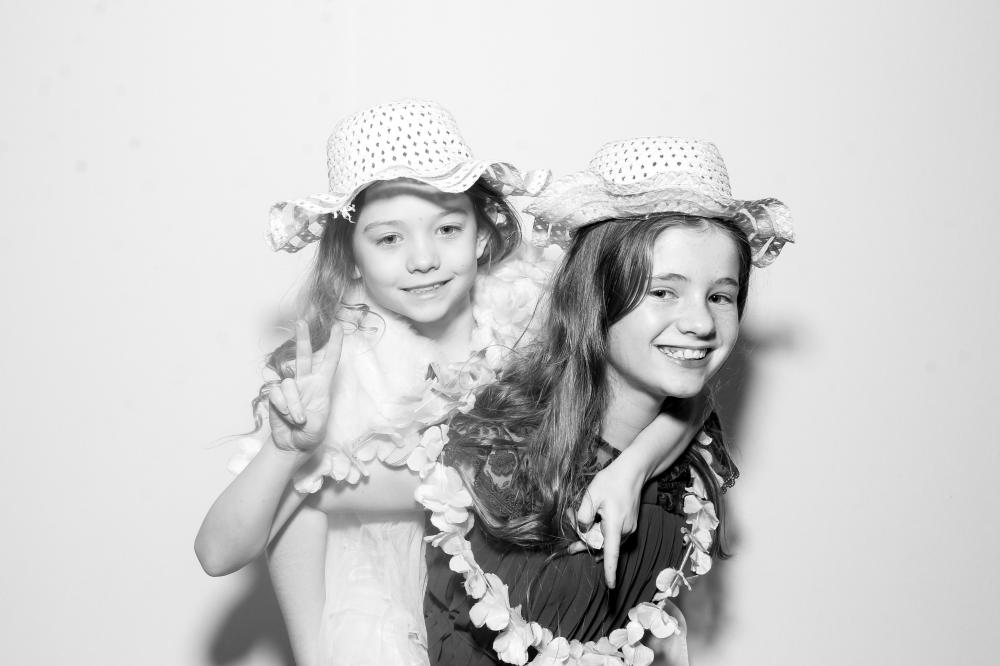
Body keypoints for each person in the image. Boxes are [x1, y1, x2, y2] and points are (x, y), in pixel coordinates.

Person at [194, 105, 701, 666]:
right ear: (350, 257)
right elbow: (219, 553)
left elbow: (682, 388)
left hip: (545, 605)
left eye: (447, 229)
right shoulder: (336, 379)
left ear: (482, 233)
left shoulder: (538, 315)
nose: (423, 258)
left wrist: (633, 467)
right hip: (402, 627)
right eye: (389, 238)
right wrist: (288, 451)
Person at [418, 136, 794, 665]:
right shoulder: (501, 458)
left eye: (720, 296)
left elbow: (696, 404)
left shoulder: (679, 454)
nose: (701, 323)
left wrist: (634, 468)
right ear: (594, 298)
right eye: (662, 291)